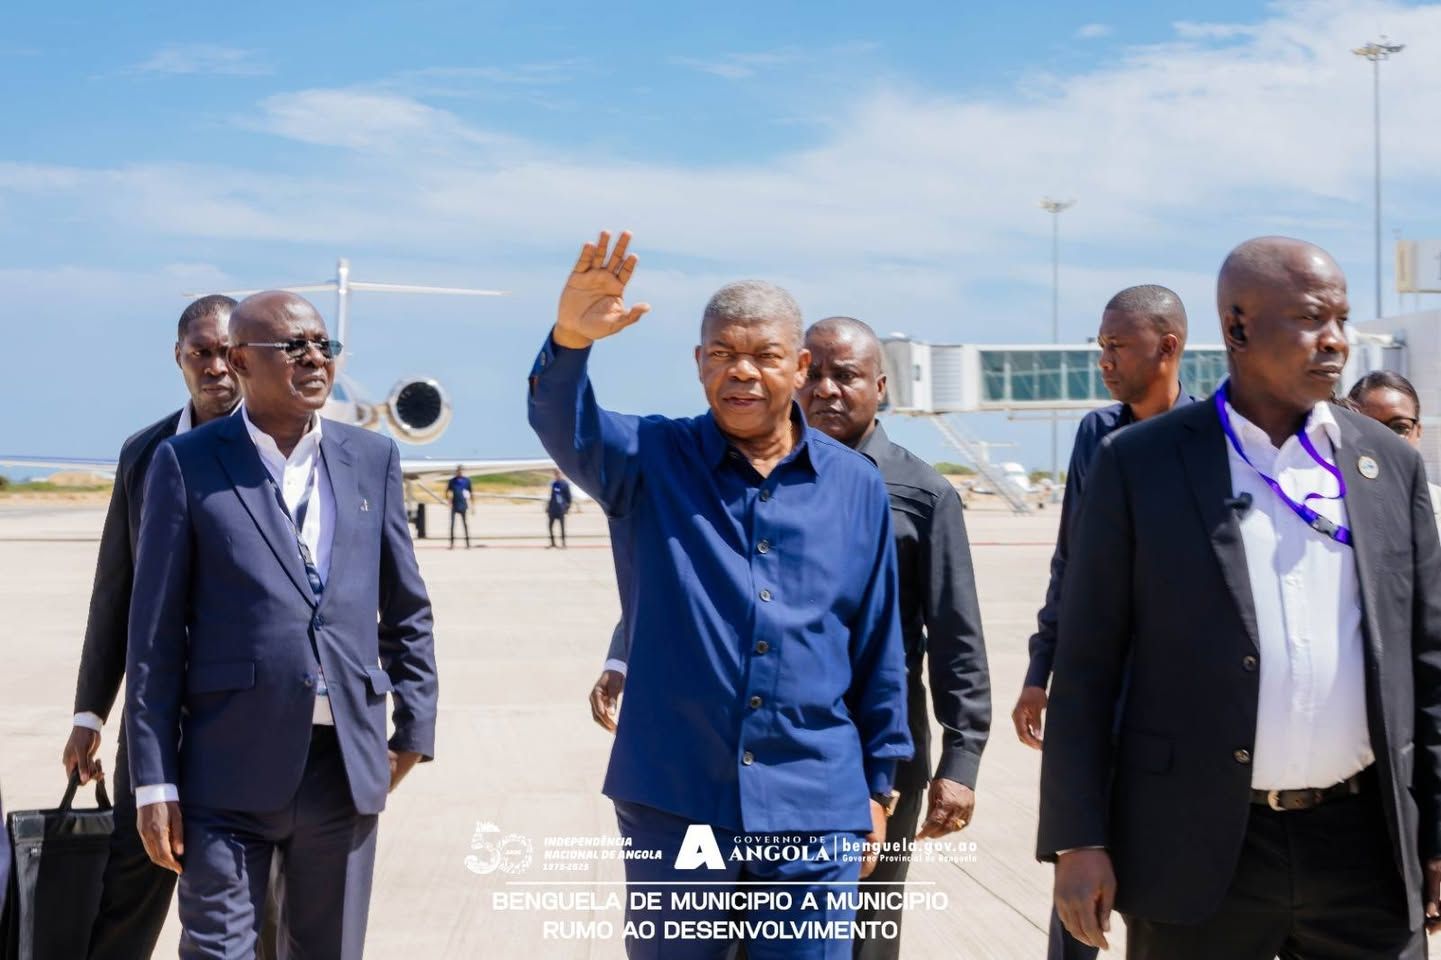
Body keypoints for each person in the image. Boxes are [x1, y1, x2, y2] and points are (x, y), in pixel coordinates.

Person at [1039, 237, 1441, 959]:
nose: (1335, 342)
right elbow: (1089, 660)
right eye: (1312, 320)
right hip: (1196, 851)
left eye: (1341, 321)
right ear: (1237, 327)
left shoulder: (1391, 469)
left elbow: (1429, 664)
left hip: (1365, 851)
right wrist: (1076, 838)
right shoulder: (1140, 464)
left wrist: (1438, 833)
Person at [529, 231, 910, 959]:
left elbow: (876, 644)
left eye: (765, 356)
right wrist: (570, 341)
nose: (743, 373)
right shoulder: (648, 460)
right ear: (699, 364)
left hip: (813, 802)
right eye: (722, 355)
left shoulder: (855, 486)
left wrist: (878, 785)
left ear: (798, 367)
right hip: (676, 799)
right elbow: (561, 424)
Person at [587, 315, 991, 960]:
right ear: (799, 373)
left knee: (863, 944)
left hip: (862, 760)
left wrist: (958, 761)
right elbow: (686, 581)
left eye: (848, 376)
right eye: (819, 374)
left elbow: (952, 634)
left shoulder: (919, 492)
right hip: (732, 775)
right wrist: (624, 652)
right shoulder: (736, 467)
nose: (829, 390)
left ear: (880, 386)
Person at [125, 291, 438, 958]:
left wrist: (413, 730)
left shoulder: (373, 460)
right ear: (241, 360)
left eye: (323, 344)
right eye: (293, 347)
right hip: (224, 771)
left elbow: (406, 607)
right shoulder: (185, 464)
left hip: (343, 769)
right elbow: (152, 639)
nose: (314, 358)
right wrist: (154, 781)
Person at [1010, 285, 1192, 960]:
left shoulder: (1207, 442)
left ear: (1166, 347)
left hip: (1178, 705)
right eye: (1101, 346)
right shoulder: (1095, 434)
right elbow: (1071, 562)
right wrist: (1039, 671)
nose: (1104, 360)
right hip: (1099, 690)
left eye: (1117, 346)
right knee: (1078, 873)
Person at [59, 295, 241, 959]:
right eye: (202, 353)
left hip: (244, 716)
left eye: (227, 352)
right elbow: (115, 591)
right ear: (179, 358)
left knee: (246, 893)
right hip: (155, 714)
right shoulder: (143, 453)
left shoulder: (277, 447)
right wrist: (89, 712)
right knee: (128, 881)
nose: (216, 368)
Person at [1348, 371, 1441, 532]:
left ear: (1417, 432)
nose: (1385, 439)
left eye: (1399, 427)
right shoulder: (1330, 510)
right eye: (1368, 428)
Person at [447, 465, 473, 549]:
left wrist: (473, 506)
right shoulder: (452, 481)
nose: (459, 472)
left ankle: (468, 543)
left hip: (463, 505)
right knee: (452, 525)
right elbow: (448, 491)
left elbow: (471, 493)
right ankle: (452, 543)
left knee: (465, 524)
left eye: (461, 470)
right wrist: (449, 501)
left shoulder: (467, 481)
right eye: (458, 471)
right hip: (454, 505)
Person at [547, 469, 572, 547]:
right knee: (550, 526)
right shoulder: (554, 484)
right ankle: (553, 542)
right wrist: (548, 507)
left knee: (562, 527)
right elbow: (552, 496)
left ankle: (563, 543)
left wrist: (567, 508)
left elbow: (569, 498)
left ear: (561, 474)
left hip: (561, 509)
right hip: (553, 509)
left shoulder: (565, 484)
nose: (557, 476)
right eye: (556, 474)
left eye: (558, 474)